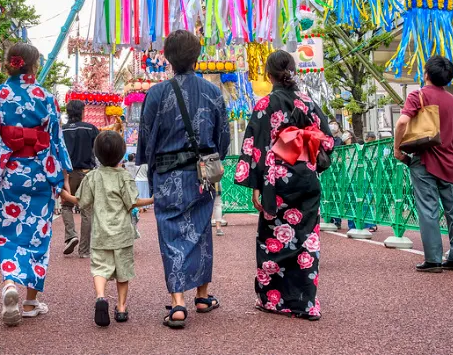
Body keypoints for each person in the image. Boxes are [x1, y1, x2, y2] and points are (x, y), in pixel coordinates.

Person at [137, 30, 230, 329]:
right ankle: (202, 296)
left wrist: (152, 174)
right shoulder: (213, 92)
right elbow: (223, 139)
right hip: (201, 173)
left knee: (171, 234)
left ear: (166, 57)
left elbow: (146, 139)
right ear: (197, 56)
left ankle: (178, 303)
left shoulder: (156, 93)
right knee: (201, 231)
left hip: (167, 173)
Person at [0, 43, 72, 327]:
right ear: (34, 65)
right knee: (38, 236)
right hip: (40, 171)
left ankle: (9, 284)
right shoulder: (45, 97)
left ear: (10, 64)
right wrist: (61, 174)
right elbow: (55, 139)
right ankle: (30, 301)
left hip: (11, 173)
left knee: (8, 233)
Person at [235, 51, 334, 320]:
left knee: (273, 241)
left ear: (268, 75)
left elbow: (255, 145)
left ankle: (273, 299)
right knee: (306, 240)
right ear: (292, 70)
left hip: (276, 180)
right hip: (306, 178)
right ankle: (305, 303)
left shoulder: (266, 104)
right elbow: (328, 141)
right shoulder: (308, 103)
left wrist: (256, 184)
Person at [60, 131, 154, 326]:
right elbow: (133, 202)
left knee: (100, 269)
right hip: (122, 234)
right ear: (121, 155)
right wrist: (153, 199)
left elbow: (82, 202)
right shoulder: (124, 177)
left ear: (97, 154)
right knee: (123, 272)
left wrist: (65, 195)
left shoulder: (92, 177)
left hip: (101, 233)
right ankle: (121, 308)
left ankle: (101, 297)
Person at [394, 55, 453, 273]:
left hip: (424, 159)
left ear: (426, 74)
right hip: (451, 161)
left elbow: (402, 122)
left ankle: (434, 260)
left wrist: (398, 147)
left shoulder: (418, 96)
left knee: (429, 210)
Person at [61, 99, 99, 257]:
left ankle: (71, 235)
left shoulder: (61, 130)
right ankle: (84, 250)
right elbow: (98, 150)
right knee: (87, 211)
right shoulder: (91, 129)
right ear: (82, 112)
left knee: (66, 206)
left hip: (68, 174)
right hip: (87, 172)